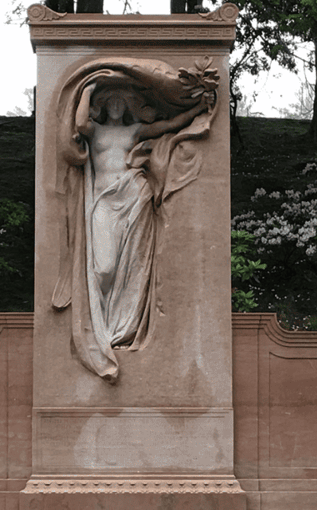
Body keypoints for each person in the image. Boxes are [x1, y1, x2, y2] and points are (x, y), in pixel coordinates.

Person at [53, 62, 218, 382]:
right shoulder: (95, 130)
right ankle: (101, 328)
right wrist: (87, 88)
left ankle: (122, 329)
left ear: (127, 105)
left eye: (120, 101)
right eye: (109, 100)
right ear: (103, 105)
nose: (115, 105)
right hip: (103, 202)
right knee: (102, 268)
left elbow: (169, 124)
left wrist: (198, 108)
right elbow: (81, 124)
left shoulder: (134, 131)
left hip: (134, 194)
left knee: (133, 265)